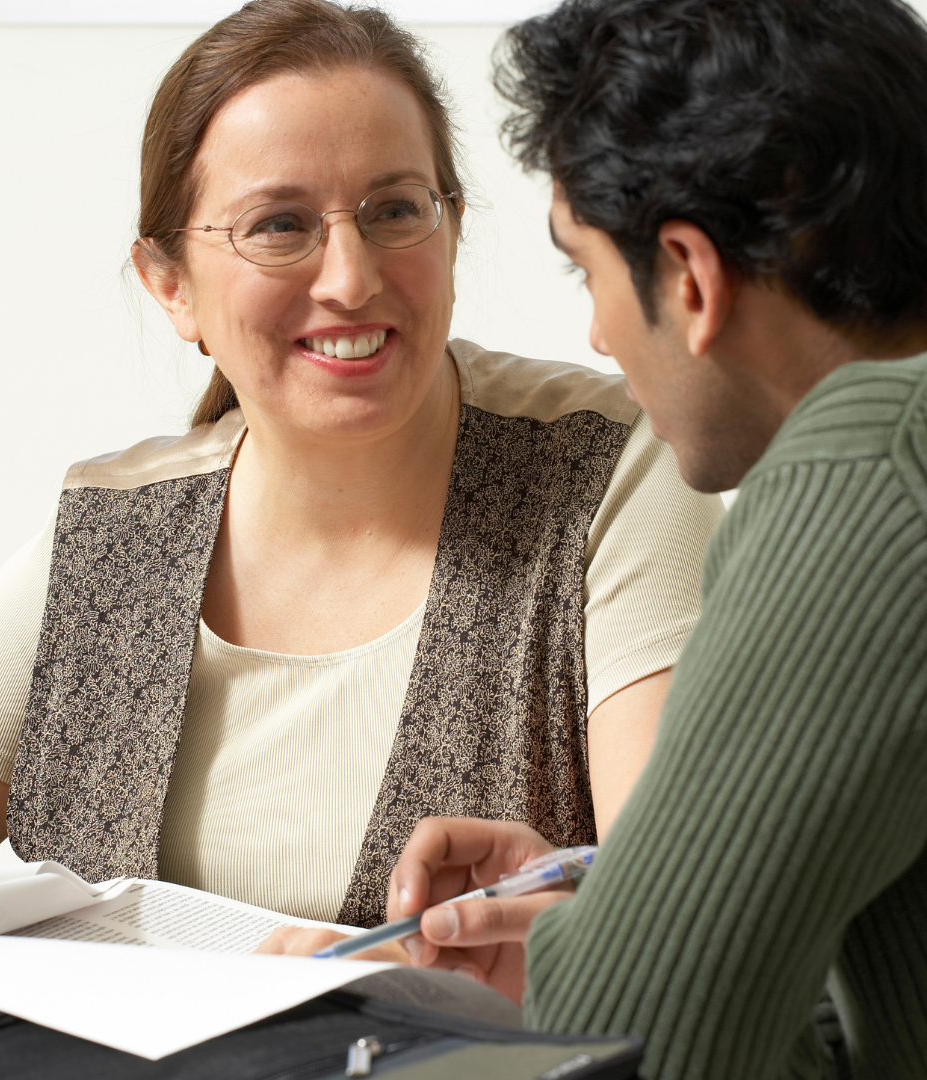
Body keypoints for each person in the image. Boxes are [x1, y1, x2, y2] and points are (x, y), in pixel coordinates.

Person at [0, 0, 721, 931]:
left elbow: (668, 916)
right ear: (170, 286)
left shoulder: (613, 469)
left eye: (394, 210)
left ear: (453, 229)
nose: (349, 278)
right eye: (278, 225)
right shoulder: (115, 540)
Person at [380, 0, 927, 1074]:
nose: (593, 333)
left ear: (686, 273)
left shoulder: (866, 475)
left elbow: (645, 1046)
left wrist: (611, 957)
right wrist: (627, 917)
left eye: (584, 268)